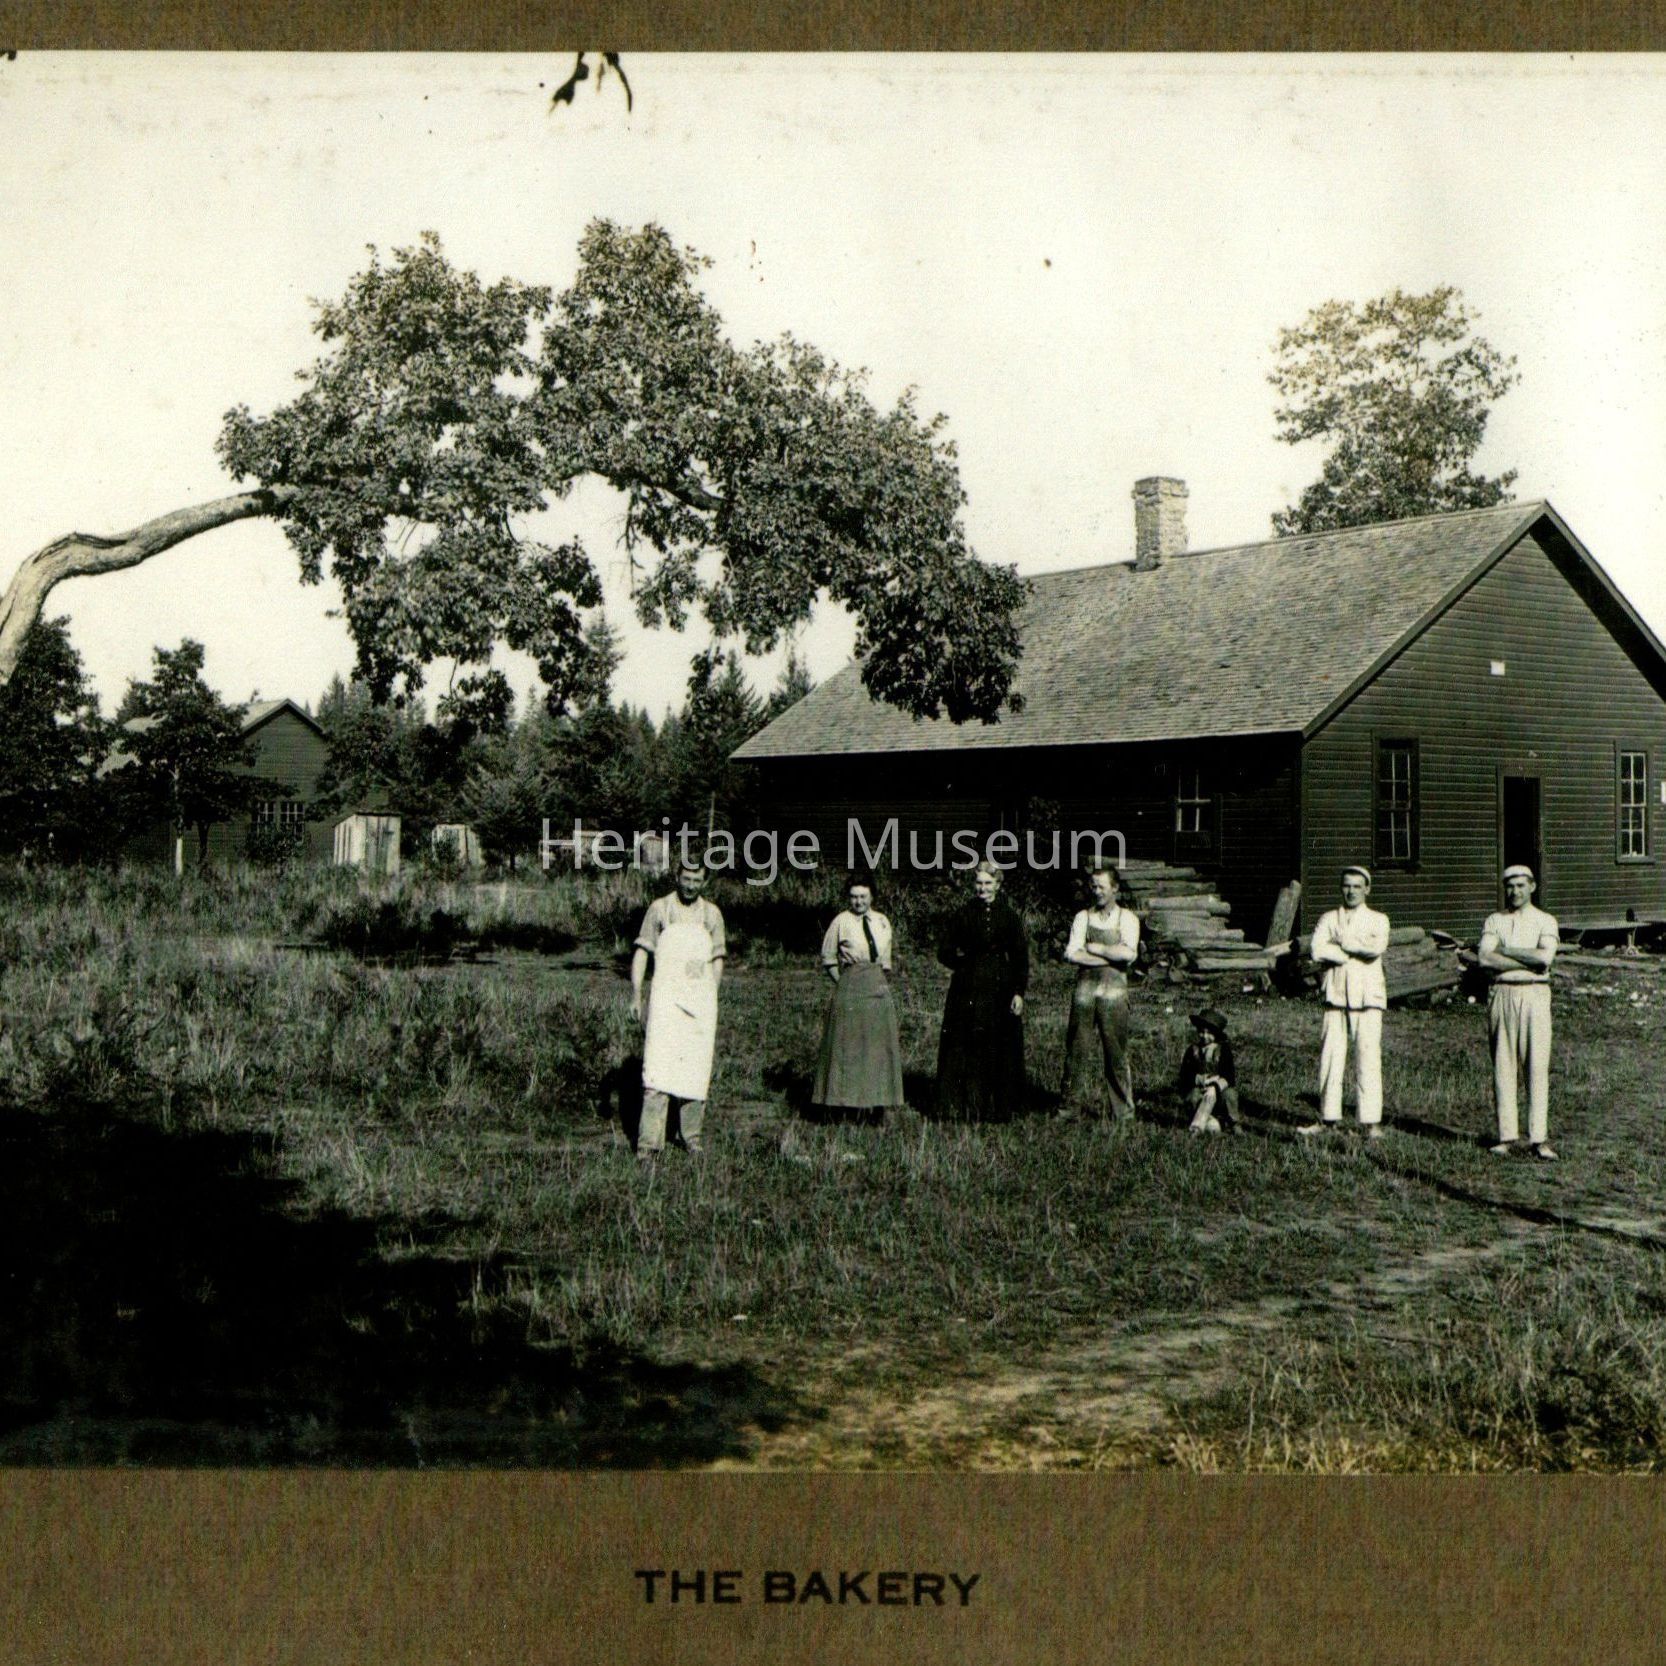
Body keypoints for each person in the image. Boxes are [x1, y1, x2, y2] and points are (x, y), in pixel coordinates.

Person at [629, 855, 726, 1162]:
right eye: (686, 879)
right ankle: (648, 1144)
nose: (691, 886)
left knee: (695, 1069)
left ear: (705, 882)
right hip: (666, 1000)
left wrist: (711, 995)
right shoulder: (660, 909)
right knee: (658, 1068)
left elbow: (717, 959)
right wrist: (636, 994)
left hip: (699, 1003)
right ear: (677, 877)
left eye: (697, 880)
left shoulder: (712, 915)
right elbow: (642, 952)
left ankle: (691, 1138)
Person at [1461, 864, 1559, 1160]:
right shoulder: (1495, 920)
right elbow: (1484, 959)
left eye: (1520, 885)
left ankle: (1538, 1139)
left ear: (1532, 887)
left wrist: (1505, 950)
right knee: (1503, 1064)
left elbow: (1544, 959)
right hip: (1502, 993)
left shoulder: (1546, 920)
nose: (1515, 891)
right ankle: (1506, 1137)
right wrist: (1525, 958)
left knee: (1536, 1065)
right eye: (1510, 886)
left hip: (1535, 994)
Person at [934, 860, 1029, 1121]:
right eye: (979, 883)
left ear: (998, 885)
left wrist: (1018, 992)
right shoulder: (963, 914)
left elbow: (1020, 957)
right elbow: (944, 951)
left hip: (1000, 988)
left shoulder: (1009, 917)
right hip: (967, 989)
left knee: (999, 1046)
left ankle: (999, 1109)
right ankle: (963, 1107)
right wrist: (964, 965)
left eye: (988, 883)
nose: (982, 888)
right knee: (966, 1044)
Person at [1301, 863, 1390, 1139]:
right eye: (1346, 886)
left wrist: (1343, 944)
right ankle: (1328, 1119)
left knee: (1368, 1057)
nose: (1351, 891)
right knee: (1331, 1056)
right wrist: (1346, 953)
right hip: (1336, 994)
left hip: (1368, 996)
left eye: (1357, 887)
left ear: (1367, 890)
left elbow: (1375, 948)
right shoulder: (1329, 918)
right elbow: (1316, 949)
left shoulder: (1378, 919)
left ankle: (1370, 1123)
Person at [812, 873, 906, 1122]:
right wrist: (844, 982)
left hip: (877, 986)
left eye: (863, 896)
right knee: (848, 1048)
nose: (858, 901)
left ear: (872, 897)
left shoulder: (882, 921)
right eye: (854, 897)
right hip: (850, 986)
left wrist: (878, 982)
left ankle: (875, 1107)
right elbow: (828, 958)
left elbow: (886, 961)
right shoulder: (840, 922)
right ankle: (843, 1107)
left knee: (876, 1047)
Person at [1057, 864, 1141, 1122]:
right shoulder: (1083, 917)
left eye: (1102, 887)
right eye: (1093, 886)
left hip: (1114, 993)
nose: (1096, 892)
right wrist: (1109, 957)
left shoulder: (1127, 919)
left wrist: (1096, 949)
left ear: (1115, 889)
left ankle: (1123, 1113)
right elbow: (1072, 953)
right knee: (1077, 1049)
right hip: (1084, 992)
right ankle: (1068, 1108)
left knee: (1116, 1051)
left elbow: (1128, 954)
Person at [1177, 1007, 1239, 1135]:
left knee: (1230, 1095)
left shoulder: (1223, 1050)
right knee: (1193, 1097)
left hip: (1218, 1092)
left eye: (1209, 1033)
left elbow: (1230, 1076)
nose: (1205, 1036)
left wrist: (1215, 1087)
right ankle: (1200, 1123)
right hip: (1200, 1090)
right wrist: (1198, 1079)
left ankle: (1233, 1123)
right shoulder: (1192, 1051)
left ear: (1216, 1034)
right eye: (1201, 1032)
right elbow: (1184, 1075)